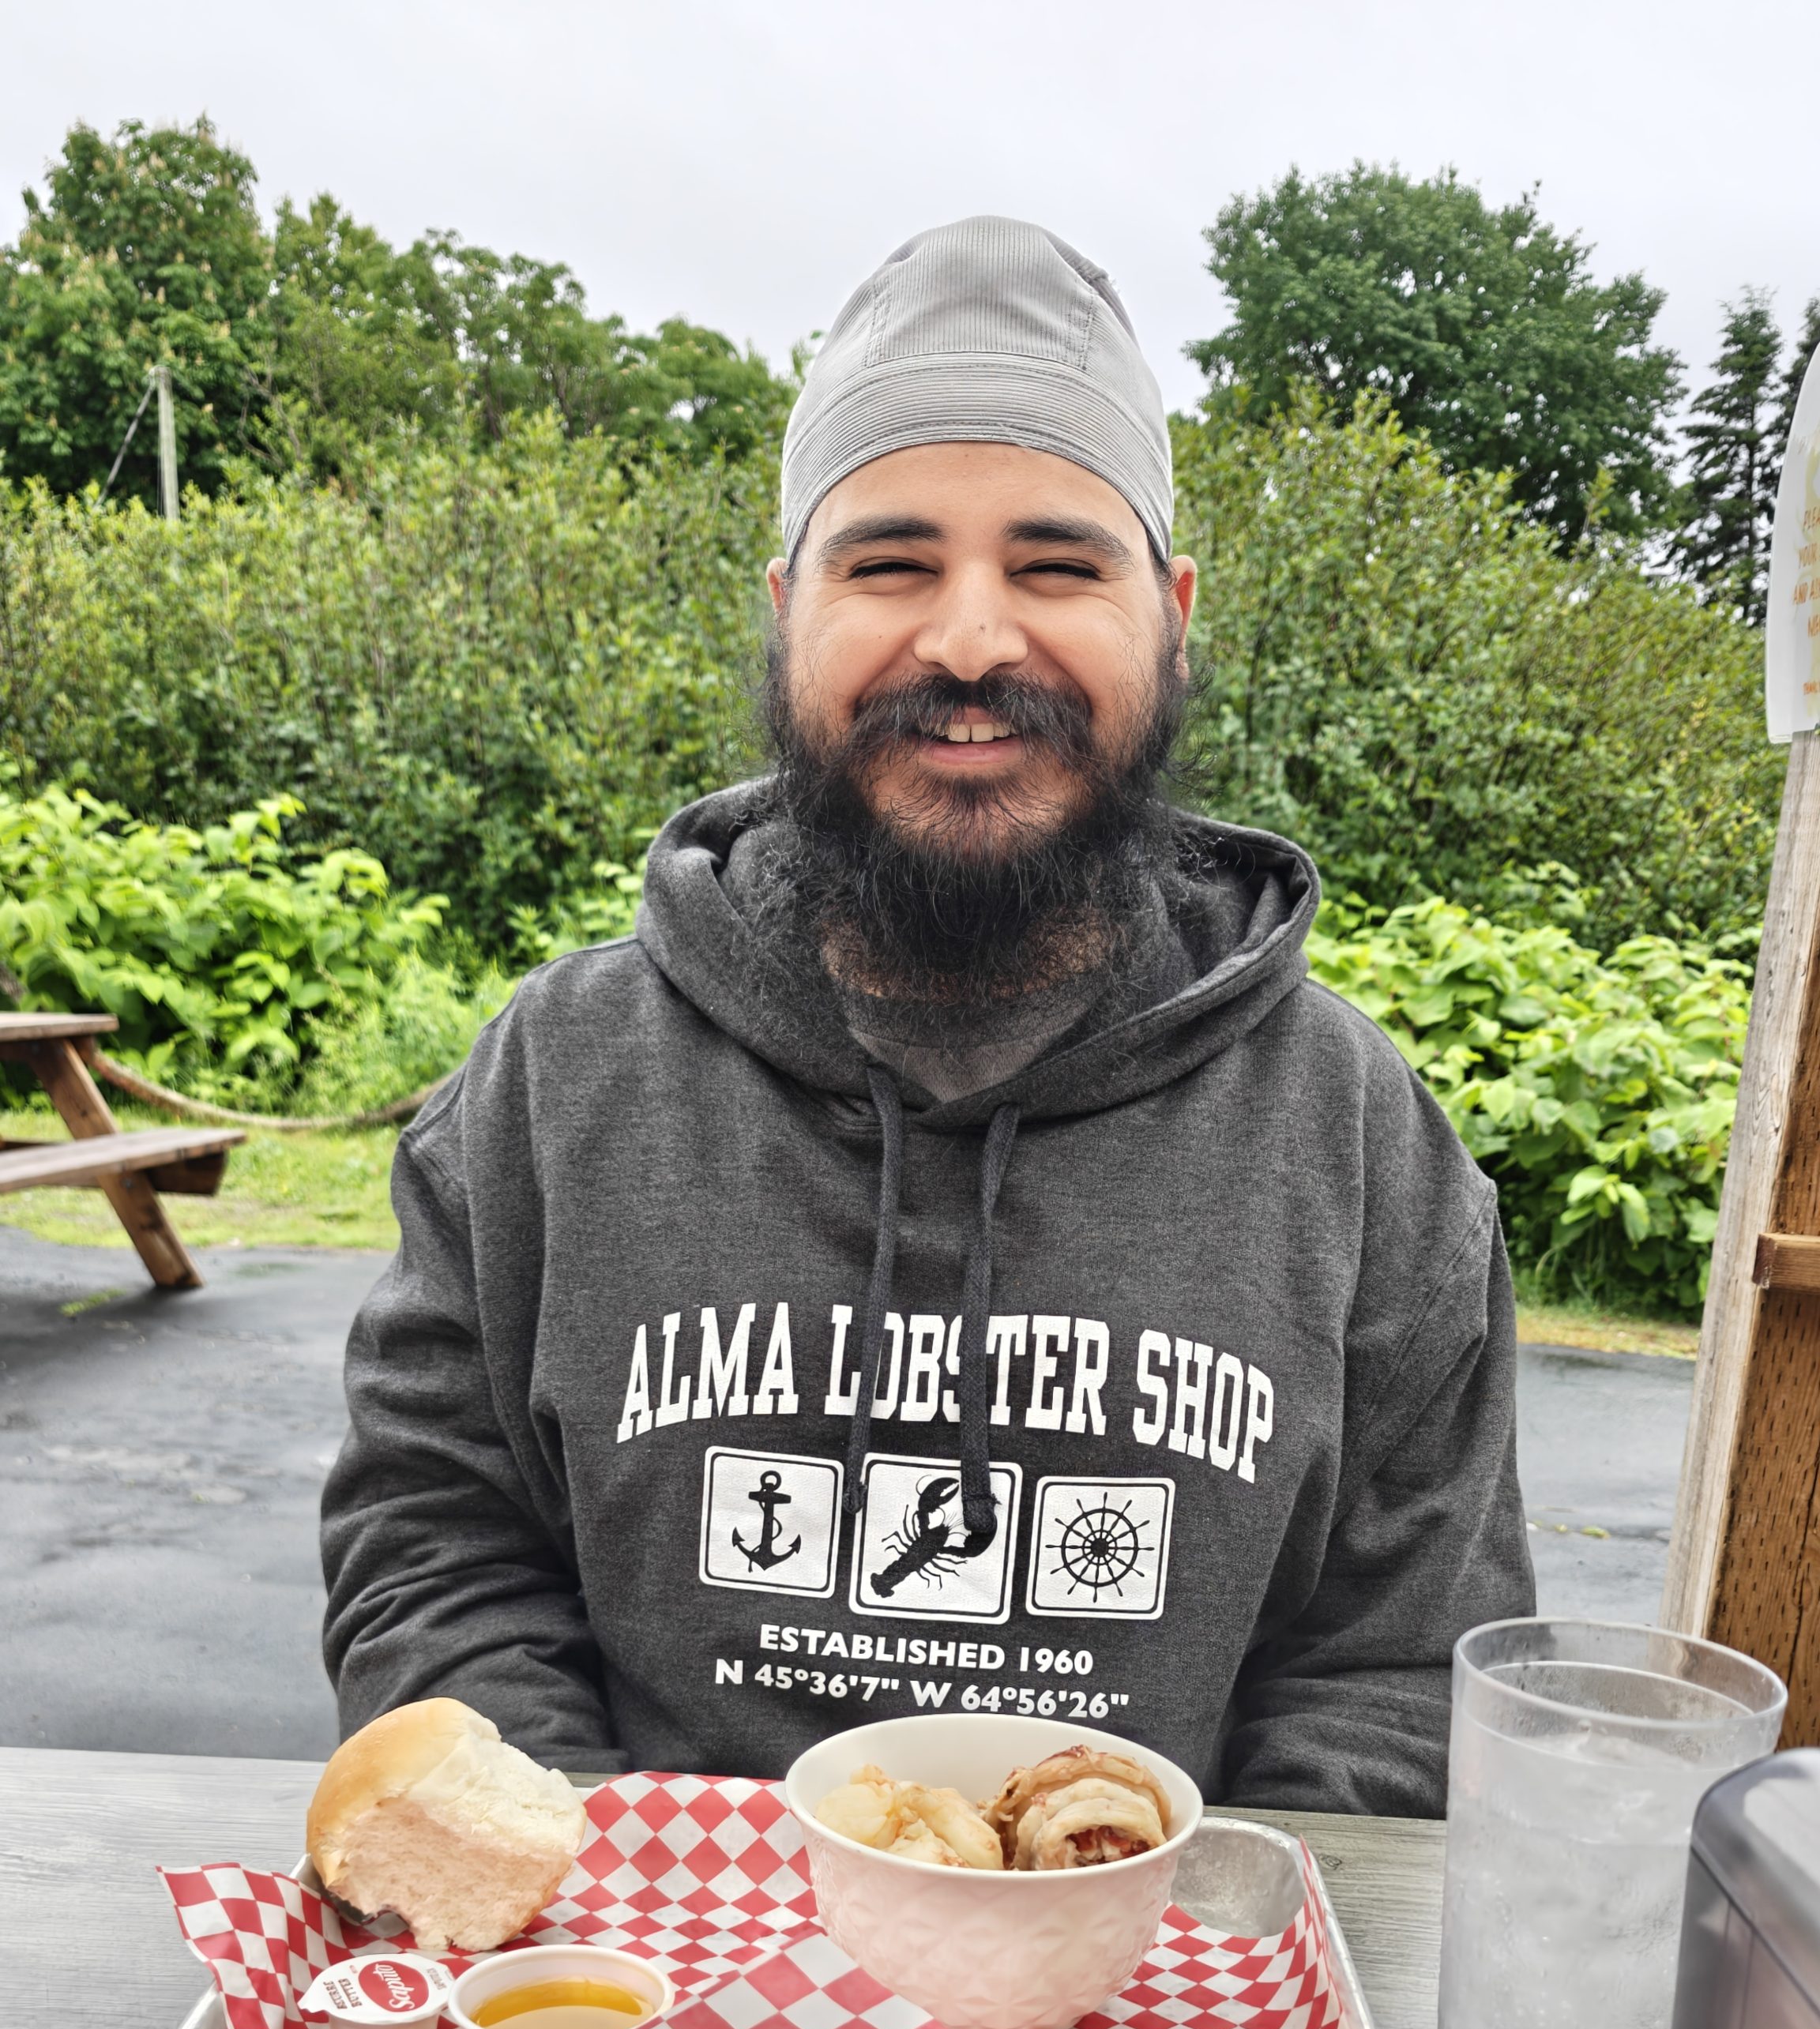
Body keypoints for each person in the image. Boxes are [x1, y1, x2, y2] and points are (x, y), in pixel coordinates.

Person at [322, 216, 1534, 1815]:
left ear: (1171, 616)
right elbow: (435, 1552)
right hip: (650, 2012)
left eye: (1056, 565)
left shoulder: (1360, 1137)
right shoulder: (555, 1082)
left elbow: (1402, 1666)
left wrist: (1160, 1981)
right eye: (890, 564)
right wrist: (622, 1926)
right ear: (786, 609)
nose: (969, 639)